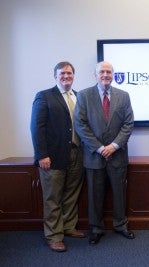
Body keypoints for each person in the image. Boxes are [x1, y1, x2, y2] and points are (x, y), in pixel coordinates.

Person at [74, 61, 135, 245]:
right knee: (95, 195)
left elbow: (128, 123)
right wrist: (100, 148)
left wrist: (114, 146)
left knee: (119, 193)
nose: (105, 75)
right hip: (94, 156)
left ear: (113, 75)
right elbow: (80, 125)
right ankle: (96, 228)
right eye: (102, 72)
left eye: (109, 72)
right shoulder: (84, 95)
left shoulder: (123, 96)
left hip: (117, 155)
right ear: (95, 75)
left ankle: (121, 225)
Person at [30, 61, 85, 252]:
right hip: (52, 157)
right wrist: (42, 154)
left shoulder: (79, 97)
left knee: (71, 194)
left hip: (77, 154)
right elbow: (37, 127)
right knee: (52, 198)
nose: (66, 77)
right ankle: (54, 236)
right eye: (62, 74)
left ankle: (69, 226)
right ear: (55, 76)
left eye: (69, 74)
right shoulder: (44, 96)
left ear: (73, 76)